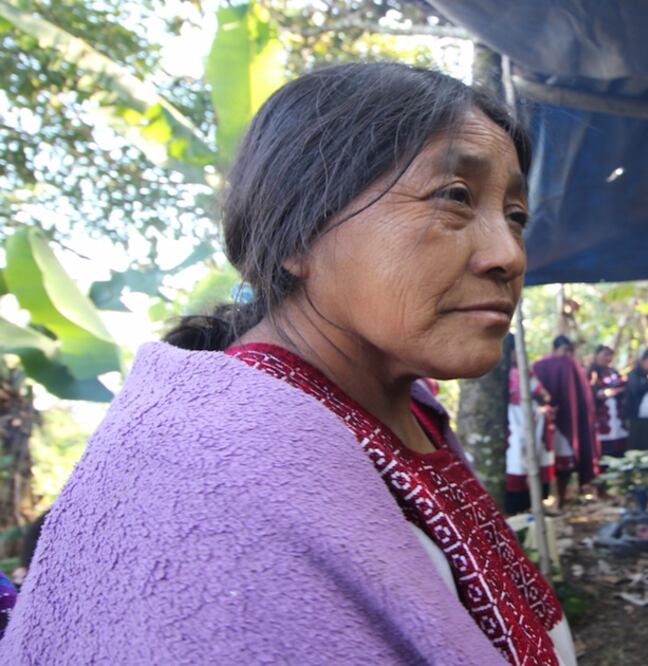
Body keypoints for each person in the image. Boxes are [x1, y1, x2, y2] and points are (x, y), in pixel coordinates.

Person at [0, 63, 575, 664]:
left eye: (516, 216)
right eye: (454, 196)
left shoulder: (408, 414)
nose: (510, 254)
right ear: (299, 233)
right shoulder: (205, 472)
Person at [534, 334, 600, 510]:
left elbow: (581, 398)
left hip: (568, 424)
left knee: (564, 464)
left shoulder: (572, 365)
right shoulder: (542, 366)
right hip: (547, 423)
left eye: (570, 351)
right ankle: (544, 500)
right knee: (545, 462)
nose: (567, 355)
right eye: (564, 350)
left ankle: (561, 500)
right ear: (555, 349)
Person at [505, 338, 556, 515]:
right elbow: (544, 395)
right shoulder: (522, 373)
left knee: (519, 459)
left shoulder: (504, 373)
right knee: (523, 458)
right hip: (522, 420)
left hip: (520, 421)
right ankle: (526, 504)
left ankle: (519, 506)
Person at [588, 345, 630, 460]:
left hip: (618, 423)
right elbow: (592, 395)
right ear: (597, 355)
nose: (608, 358)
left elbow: (624, 388)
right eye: (605, 355)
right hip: (600, 424)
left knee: (620, 454)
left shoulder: (614, 372)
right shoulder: (591, 373)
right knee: (603, 456)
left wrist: (615, 391)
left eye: (610, 355)